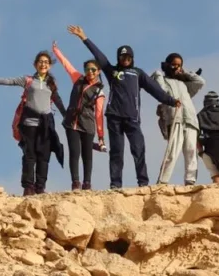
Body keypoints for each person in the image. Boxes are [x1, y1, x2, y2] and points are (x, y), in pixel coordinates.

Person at [66, 25, 180, 189]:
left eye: (128, 57)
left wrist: (171, 100)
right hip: (114, 118)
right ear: (118, 58)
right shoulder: (112, 72)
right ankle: (115, 184)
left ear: (132, 58)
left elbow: (155, 90)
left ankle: (143, 182)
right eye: (122, 56)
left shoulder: (137, 73)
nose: (125, 59)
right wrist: (84, 37)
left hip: (132, 118)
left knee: (138, 149)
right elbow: (100, 56)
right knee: (117, 152)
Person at [0, 51, 68, 196]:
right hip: (29, 123)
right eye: (40, 61)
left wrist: (67, 116)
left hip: (45, 124)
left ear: (50, 66)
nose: (43, 64)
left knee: (44, 155)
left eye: (46, 62)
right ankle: (28, 187)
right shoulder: (28, 80)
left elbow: (58, 100)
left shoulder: (51, 84)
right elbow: (9, 81)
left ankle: (40, 187)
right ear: (35, 64)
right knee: (30, 154)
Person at [52, 41, 106, 191]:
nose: (90, 72)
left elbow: (99, 115)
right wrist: (56, 51)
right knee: (74, 152)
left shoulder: (99, 92)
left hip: (88, 125)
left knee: (87, 155)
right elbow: (66, 65)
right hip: (72, 123)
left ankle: (87, 183)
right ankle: (75, 182)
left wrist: (101, 137)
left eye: (93, 70)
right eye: (87, 69)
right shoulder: (78, 79)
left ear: (99, 71)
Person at [152, 53, 206, 185]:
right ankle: (162, 181)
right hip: (175, 118)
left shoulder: (184, 84)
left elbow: (200, 82)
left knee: (191, 151)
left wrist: (185, 73)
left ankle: (190, 180)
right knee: (172, 152)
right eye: (173, 64)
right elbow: (162, 91)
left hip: (190, 119)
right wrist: (159, 74)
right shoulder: (164, 80)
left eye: (179, 65)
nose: (176, 67)